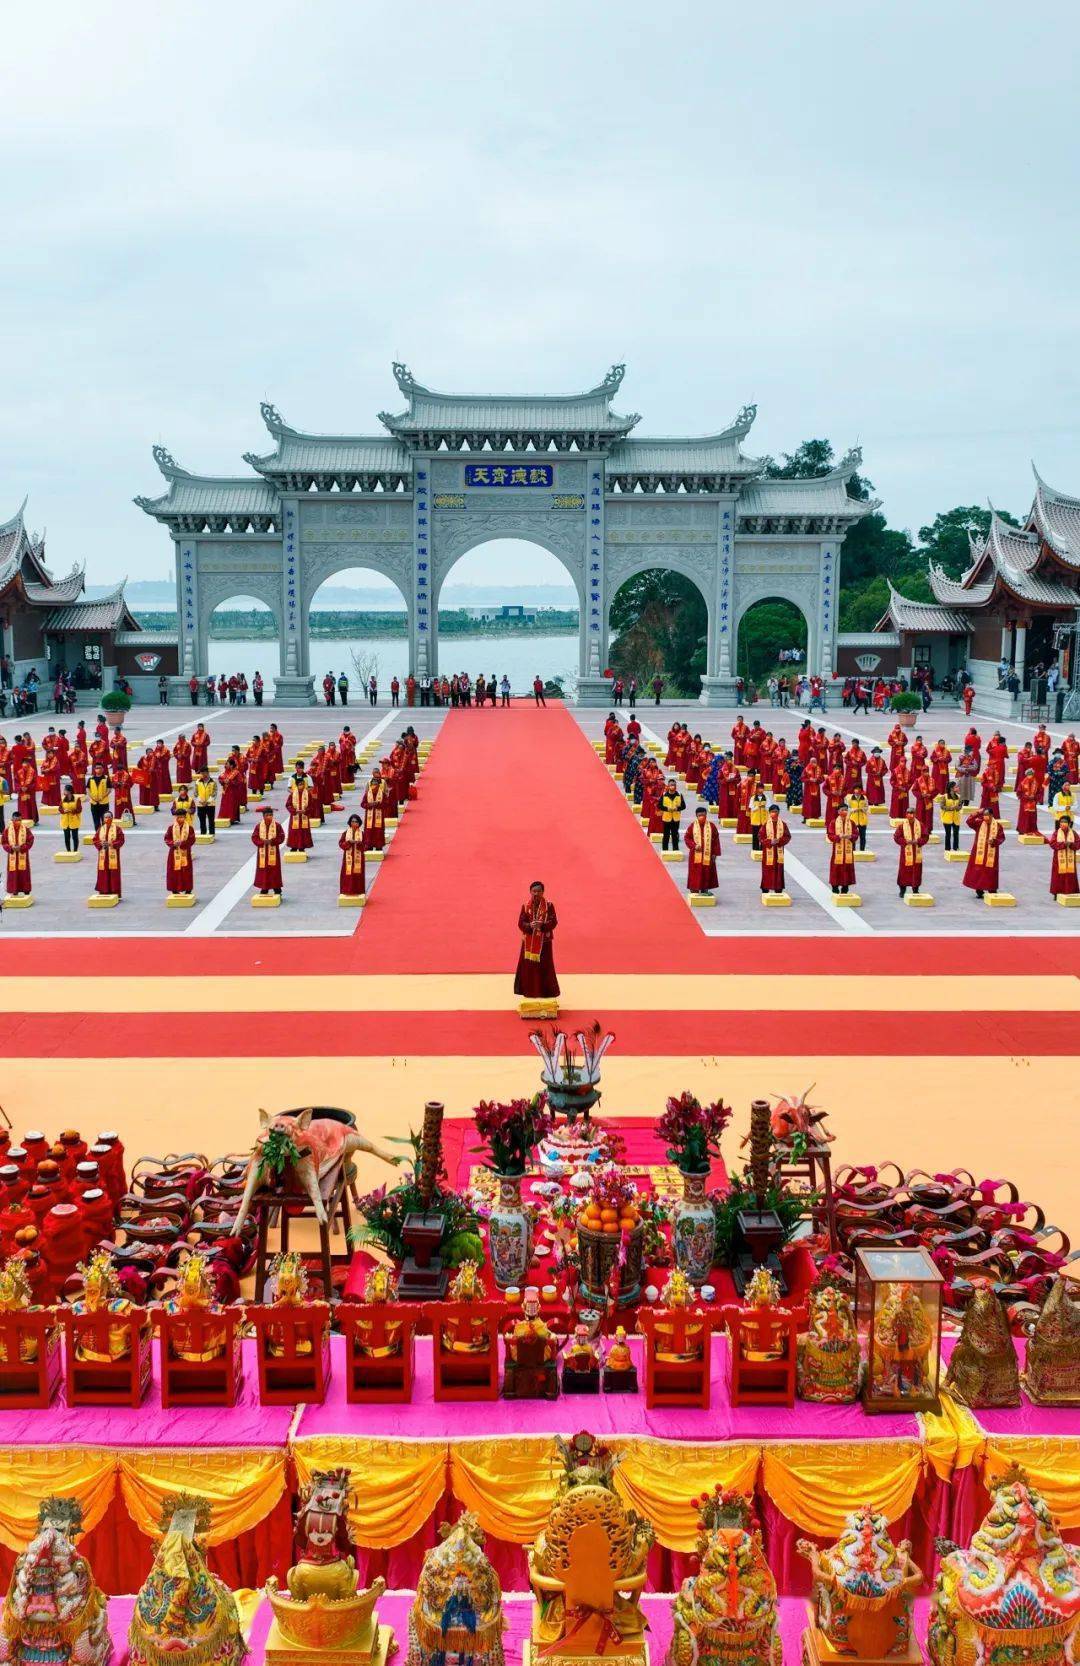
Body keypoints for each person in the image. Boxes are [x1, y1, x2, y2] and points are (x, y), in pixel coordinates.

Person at [514, 879, 559, 1002]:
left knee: (545, 966)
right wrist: (530, 926)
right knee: (529, 968)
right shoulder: (525, 906)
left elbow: (554, 922)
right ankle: (529, 991)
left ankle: (546, 992)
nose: (536, 894)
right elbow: (520, 923)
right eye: (533, 891)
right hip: (528, 942)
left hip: (544, 942)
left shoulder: (549, 906)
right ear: (530, 891)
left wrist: (542, 925)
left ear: (543, 892)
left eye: (538, 891)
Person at [963, 808, 1005, 899]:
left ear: (991, 815)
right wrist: (978, 812)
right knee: (979, 870)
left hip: (991, 853)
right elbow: (969, 821)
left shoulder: (998, 826)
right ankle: (979, 889)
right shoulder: (979, 823)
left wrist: (994, 841)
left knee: (991, 871)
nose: (985, 817)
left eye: (987, 815)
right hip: (979, 852)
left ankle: (992, 889)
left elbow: (1001, 838)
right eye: (984, 815)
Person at [684, 804, 721, 895]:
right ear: (696, 816)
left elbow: (716, 840)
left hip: (708, 854)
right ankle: (694, 889)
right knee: (695, 872)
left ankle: (705, 889)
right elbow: (687, 838)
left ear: (706, 815)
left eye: (703, 815)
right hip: (695, 854)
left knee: (706, 871)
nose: (702, 817)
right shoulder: (692, 826)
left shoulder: (711, 826)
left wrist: (715, 853)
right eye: (700, 815)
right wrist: (694, 845)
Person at [252, 805, 285, 896]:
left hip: (273, 851)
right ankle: (264, 888)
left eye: (271, 815)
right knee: (263, 870)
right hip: (262, 852)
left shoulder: (277, 826)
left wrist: (272, 841)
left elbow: (281, 837)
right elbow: (254, 837)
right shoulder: (259, 826)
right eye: (267, 815)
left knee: (274, 871)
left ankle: (277, 889)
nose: (269, 817)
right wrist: (262, 842)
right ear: (263, 816)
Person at [894, 810, 927, 898]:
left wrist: (918, 841)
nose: (910, 815)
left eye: (912, 813)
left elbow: (925, 836)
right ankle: (902, 890)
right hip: (906, 853)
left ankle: (915, 889)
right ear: (906, 815)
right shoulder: (902, 826)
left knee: (916, 871)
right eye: (908, 813)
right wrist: (905, 841)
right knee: (904, 871)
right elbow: (896, 837)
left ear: (915, 814)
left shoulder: (920, 825)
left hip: (916, 852)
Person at [759, 803, 791, 893]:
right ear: (769, 813)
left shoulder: (783, 824)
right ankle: (765, 888)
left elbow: (787, 836)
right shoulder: (765, 825)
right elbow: (761, 837)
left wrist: (779, 841)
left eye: (776, 812)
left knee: (778, 869)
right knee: (767, 869)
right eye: (772, 812)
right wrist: (770, 842)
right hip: (768, 851)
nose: (774, 813)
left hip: (779, 851)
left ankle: (778, 888)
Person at [1045, 814, 1078, 897]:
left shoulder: (1073, 833)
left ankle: (1070, 892)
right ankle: (1056, 893)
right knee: (1058, 877)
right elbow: (1052, 844)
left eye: (1065, 822)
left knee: (1069, 876)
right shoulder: (1056, 833)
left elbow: (1078, 844)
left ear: (1069, 823)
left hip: (1070, 859)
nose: (1063, 823)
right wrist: (1063, 844)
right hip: (1058, 860)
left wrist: (1071, 844)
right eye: (1061, 822)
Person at [92, 812, 124, 898]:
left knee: (113, 874)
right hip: (103, 856)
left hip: (113, 855)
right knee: (103, 873)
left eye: (109, 817)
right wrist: (101, 843)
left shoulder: (117, 829)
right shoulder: (101, 829)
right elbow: (95, 840)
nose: (107, 819)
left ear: (112, 818)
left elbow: (121, 840)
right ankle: (104, 891)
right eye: (105, 817)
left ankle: (114, 891)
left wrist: (111, 844)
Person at [165, 811, 196, 896]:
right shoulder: (171, 828)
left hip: (185, 852)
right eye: (178, 817)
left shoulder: (189, 828)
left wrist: (182, 843)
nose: (180, 819)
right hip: (174, 852)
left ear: (185, 817)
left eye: (182, 817)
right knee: (174, 871)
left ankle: (188, 889)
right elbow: (167, 838)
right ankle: (174, 889)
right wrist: (173, 843)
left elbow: (192, 840)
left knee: (186, 871)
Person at [828, 805, 857, 894]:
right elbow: (830, 835)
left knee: (847, 868)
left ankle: (845, 887)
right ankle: (835, 887)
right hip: (837, 851)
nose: (844, 812)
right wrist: (838, 837)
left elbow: (856, 834)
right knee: (836, 868)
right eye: (842, 810)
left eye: (846, 810)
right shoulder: (833, 822)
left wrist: (851, 836)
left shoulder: (851, 822)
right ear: (838, 811)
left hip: (848, 851)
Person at [3, 812, 33, 896]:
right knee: (14, 874)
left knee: (24, 873)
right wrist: (11, 848)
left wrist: (22, 848)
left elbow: (30, 840)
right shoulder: (7, 830)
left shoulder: (25, 829)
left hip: (22, 854)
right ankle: (14, 890)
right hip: (12, 855)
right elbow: (4, 842)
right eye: (16, 820)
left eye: (19, 820)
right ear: (12, 820)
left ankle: (26, 890)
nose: (17, 822)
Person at [286, 770, 315, 854]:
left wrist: (305, 811)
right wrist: (295, 811)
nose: (301, 786)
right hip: (295, 815)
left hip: (304, 815)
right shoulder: (292, 794)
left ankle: (302, 846)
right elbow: (288, 805)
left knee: (303, 831)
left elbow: (311, 805)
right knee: (294, 831)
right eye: (299, 784)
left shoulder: (308, 794)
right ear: (297, 785)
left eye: (302, 784)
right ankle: (294, 846)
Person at [339, 813, 366, 899]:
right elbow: (341, 844)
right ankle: (347, 890)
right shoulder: (345, 833)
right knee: (348, 874)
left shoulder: (362, 833)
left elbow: (366, 846)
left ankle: (358, 891)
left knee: (358, 875)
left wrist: (359, 844)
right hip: (348, 858)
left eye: (356, 822)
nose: (354, 823)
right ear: (350, 823)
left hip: (358, 858)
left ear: (359, 823)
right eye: (352, 821)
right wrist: (349, 842)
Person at [361, 768, 388, 851]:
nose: (374, 786)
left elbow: (387, 804)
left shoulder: (382, 794)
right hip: (369, 816)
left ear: (378, 785)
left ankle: (378, 846)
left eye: (375, 784)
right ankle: (369, 846)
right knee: (369, 832)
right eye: (372, 784)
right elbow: (362, 804)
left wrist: (378, 804)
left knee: (378, 831)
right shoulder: (367, 794)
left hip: (378, 815)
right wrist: (370, 804)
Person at [660, 778, 685, 852]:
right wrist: (667, 809)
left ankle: (675, 850)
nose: (672, 786)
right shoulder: (664, 795)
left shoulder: (679, 795)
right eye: (671, 785)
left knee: (675, 835)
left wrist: (677, 808)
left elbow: (683, 806)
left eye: (673, 785)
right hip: (666, 818)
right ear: (668, 786)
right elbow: (659, 806)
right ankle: (665, 850)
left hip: (676, 819)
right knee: (666, 836)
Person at [59, 781, 82, 854]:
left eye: (65, 790)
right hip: (65, 821)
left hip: (74, 820)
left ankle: (75, 851)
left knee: (75, 837)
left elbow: (79, 809)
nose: (64, 791)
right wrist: (63, 811)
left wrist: (72, 811)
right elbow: (60, 808)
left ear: (69, 791)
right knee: (66, 837)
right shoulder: (62, 799)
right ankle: (68, 851)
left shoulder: (77, 799)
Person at [194, 769, 217, 838]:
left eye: (204, 773)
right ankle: (203, 834)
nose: (203, 775)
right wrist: (200, 801)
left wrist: (208, 801)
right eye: (201, 773)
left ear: (207, 773)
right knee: (202, 820)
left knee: (211, 820)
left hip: (210, 804)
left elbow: (214, 793)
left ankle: (212, 834)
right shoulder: (197, 782)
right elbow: (195, 793)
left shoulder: (213, 782)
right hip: (200, 804)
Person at [940, 781, 962, 851]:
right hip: (947, 818)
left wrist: (957, 807)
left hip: (956, 818)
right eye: (956, 787)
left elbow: (960, 806)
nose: (958, 788)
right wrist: (950, 808)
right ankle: (947, 849)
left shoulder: (959, 797)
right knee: (948, 834)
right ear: (951, 788)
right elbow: (942, 806)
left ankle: (956, 848)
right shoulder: (944, 796)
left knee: (956, 834)